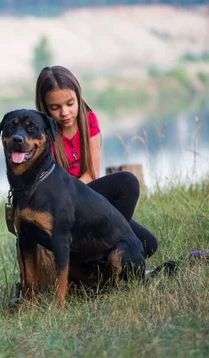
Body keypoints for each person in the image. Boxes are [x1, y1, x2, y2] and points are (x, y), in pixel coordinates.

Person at [35, 65, 157, 258]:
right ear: (45, 107)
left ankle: (104, 247)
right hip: (62, 206)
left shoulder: (88, 120)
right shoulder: (44, 133)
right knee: (127, 181)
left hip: (86, 195)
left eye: (70, 103)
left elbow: (92, 173)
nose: (65, 112)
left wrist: (88, 199)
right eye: (55, 107)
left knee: (148, 245)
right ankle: (99, 253)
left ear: (78, 96)